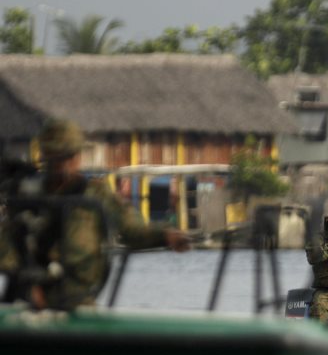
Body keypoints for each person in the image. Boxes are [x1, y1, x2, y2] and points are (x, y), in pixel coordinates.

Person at [0, 119, 189, 311]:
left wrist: (165, 236)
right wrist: (27, 283)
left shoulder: (96, 194)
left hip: (76, 296)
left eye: (69, 156)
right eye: (56, 157)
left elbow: (131, 229)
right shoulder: (28, 194)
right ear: (46, 156)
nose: (64, 164)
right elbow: (8, 243)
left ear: (78, 157)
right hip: (26, 298)